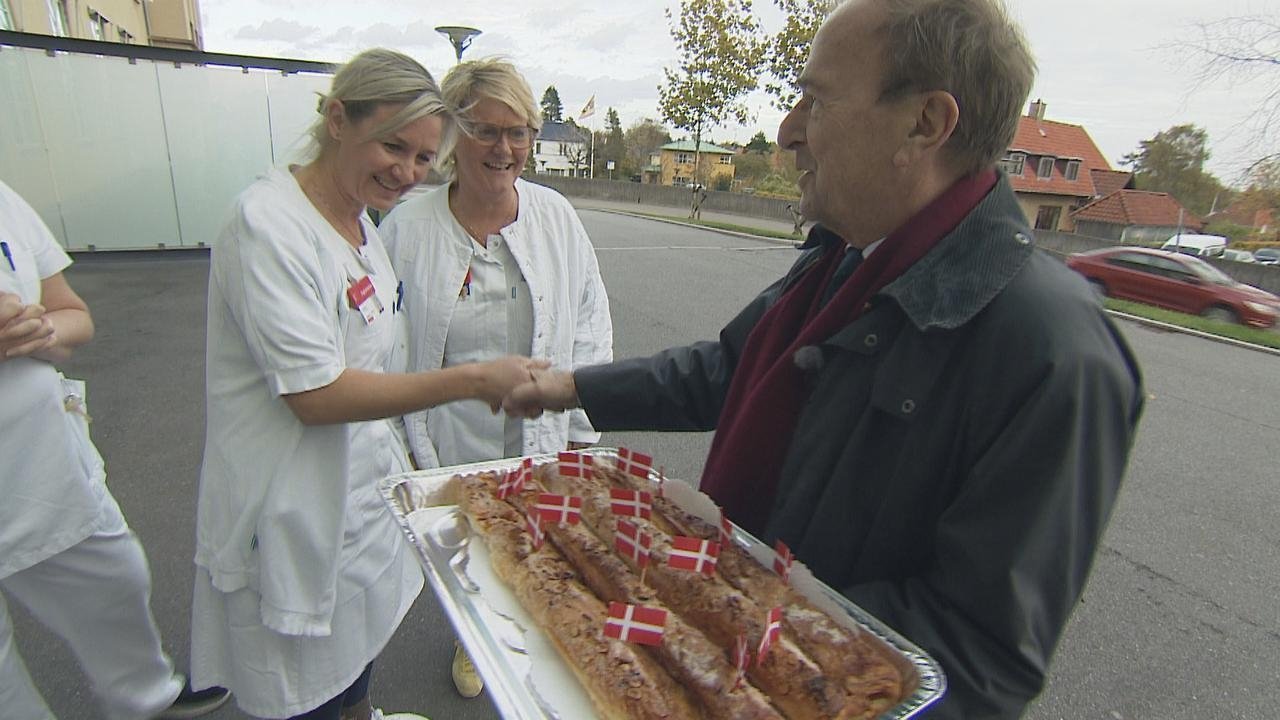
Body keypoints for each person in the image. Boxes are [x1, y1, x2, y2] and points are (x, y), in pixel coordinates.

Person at [503, 1, 1145, 718]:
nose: (787, 131)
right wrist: (568, 386)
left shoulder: (1052, 351)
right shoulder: (843, 257)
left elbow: (976, 659)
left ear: (926, 124)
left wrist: (737, 628)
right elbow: (727, 371)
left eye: (815, 98)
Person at [189, 49, 541, 720]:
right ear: (337, 118)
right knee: (302, 682)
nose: (407, 172)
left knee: (354, 649)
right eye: (393, 146)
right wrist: (468, 379)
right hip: (291, 504)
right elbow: (314, 396)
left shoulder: (358, 224)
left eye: (421, 158)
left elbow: (380, 348)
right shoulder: (268, 225)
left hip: (357, 495)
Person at [379, 57, 613, 699]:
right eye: (485, 131)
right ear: (454, 135)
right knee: (472, 550)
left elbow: (590, 315)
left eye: (519, 132)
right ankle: (472, 636)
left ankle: (544, 650)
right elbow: (385, 341)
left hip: (541, 426)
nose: (504, 148)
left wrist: (579, 420)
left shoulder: (554, 216)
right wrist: (398, 441)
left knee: (549, 545)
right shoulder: (408, 228)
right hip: (451, 430)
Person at [0, 179, 230, 719]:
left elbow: (72, 314)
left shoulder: (3, 201)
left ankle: (146, 698)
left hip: (40, 459)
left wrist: (39, 330)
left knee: (114, 575)